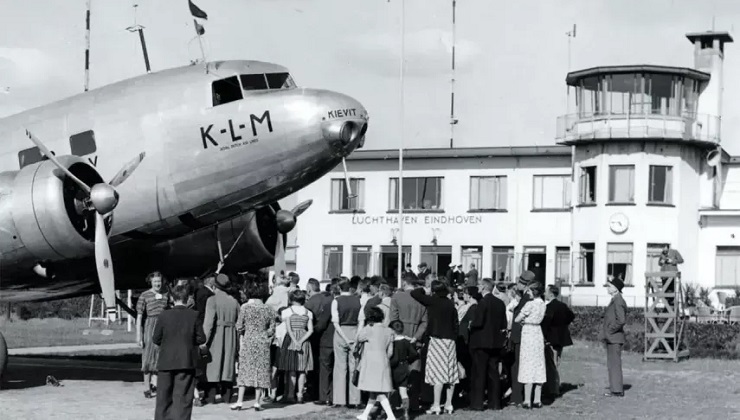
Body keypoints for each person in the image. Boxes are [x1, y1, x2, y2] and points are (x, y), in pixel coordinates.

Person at [152, 283, 206, 420]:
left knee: (164, 398)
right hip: (186, 361)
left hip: (166, 361)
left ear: (171, 297)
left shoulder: (164, 315)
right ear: (188, 298)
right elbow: (201, 338)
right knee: (183, 398)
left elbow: (156, 338)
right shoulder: (194, 315)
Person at [411, 280, 459, 415]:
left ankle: (436, 404)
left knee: (438, 374)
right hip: (450, 341)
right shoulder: (450, 303)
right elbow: (456, 323)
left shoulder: (432, 301)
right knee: (450, 374)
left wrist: (423, 289)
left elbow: (414, 293)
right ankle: (449, 404)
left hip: (437, 340)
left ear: (433, 290)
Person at [230, 283, 275, 412]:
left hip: (249, 340)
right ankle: (257, 402)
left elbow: (238, 326)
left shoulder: (245, 307)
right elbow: (272, 329)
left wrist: (246, 331)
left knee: (245, 371)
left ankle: (239, 401)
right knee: (260, 371)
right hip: (262, 341)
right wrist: (264, 334)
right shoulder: (269, 309)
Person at [468, 278, 508, 411]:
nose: (478, 287)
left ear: (484, 287)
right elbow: (504, 323)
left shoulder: (483, 303)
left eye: (480, 285)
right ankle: (495, 403)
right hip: (495, 342)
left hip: (481, 342)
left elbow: (478, 322)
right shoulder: (500, 303)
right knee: (494, 373)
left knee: (479, 374)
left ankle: (477, 403)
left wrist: (470, 324)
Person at [389, 277, 428, 413]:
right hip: (415, 339)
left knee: (396, 372)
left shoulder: (397, 297)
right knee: (415, 372)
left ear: (404, 284)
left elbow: (393, 319)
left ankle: (395, 402)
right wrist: (416, 336)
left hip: (399, 338)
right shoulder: (421, 299)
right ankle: (414, 403)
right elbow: (425, 322)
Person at [202, 273, 240, 404]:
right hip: (231, 334)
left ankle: (210, 397)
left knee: (213, 365)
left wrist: (204, 341)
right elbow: (239, 322)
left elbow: (208, 323)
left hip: (216, 335)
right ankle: (227, 396)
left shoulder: (212, 300)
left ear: (214, 286)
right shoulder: (234, 301)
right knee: (227, 364)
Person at [356, 306, 396, 420]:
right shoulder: (389, 331)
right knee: (374, 391)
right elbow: (390, 352)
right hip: (383, 360)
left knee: (377, 391)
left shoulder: (368, 329)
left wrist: (361, 324)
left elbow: (358, 337)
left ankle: (390, 416)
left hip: (371, 362)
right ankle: (365, 415)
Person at [136, 271, 169, 399]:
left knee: (160, 356)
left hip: (163, 326)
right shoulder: (144, 295)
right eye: (155, 282)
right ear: (151, 282)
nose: (157, 284)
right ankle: (147, 388)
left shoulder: (166, 294)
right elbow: (139, 316)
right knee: (148, 357)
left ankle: (156, 385)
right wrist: (139, 336)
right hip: (150, 326)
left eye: (159, 282)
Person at [277, 290, 314, 403]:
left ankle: (290, 394)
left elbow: (288, 329)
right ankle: (300, 395)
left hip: (291, 340)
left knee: (292, 369)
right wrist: (302, 340)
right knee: (302, 369)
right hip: (304, 340)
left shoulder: (288, 311)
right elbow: (310, 330)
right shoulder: (308, 312)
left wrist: (295, 341)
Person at [515, 281, 547, 409]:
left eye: (529, 291)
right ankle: (537, 399)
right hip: (538, 332)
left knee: (527, 363)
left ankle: (527, 400)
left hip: (528, 332)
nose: (527, 293)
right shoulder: (543, 304)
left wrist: (524, 320)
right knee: (538, 363)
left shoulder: (529, 304)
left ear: (533, 292)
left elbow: (517, 319)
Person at [332, 277, 362, 408]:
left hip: (341, 332)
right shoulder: (358, 300)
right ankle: (355, 400)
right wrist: (356, 337)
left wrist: (344, 337)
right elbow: (361, 320)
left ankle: (340, 400)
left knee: (340, 367)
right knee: (354, 367)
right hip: (355, 330)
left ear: (339, 288)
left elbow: (335, 322)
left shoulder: (336, 301)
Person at [541, 285, 575, 399]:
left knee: (552, 363)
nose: (544, 294)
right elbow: (571, 316)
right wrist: (563, 325)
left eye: (546, 292)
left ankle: (553, 389)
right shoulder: (562, 305)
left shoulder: (549, 307)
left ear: (551, 294)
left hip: (551, 337)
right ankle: (553, 387)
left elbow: (546, 323)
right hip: (561, 337)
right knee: (556, 361)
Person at [508, 270, 535, 406]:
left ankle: (517, 396)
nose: (517, 284)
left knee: (517, 366)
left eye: (519, 282)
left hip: (520, 336)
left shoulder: (526, 299)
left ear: (524, 284)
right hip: (521, 336)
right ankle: (517, 395)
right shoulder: (525, 297)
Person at [601, 277, 627, 398]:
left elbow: (621, 320)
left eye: (610, 286)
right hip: (613, 337)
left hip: (614, 337)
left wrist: (610, 330)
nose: (608, 288)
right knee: (612, 364)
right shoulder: (616, 299)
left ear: (616, 289)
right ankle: (615, 388)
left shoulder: (618, 300)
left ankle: (617, 390)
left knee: (614, 364)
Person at [389, 320, 418, 420]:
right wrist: (408, 360)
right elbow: (414, 354)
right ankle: (406, 413)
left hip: (393, 368)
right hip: (404, 367)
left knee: (390, 390)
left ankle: (389, 410)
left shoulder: (392, 343)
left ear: (392, 330)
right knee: (403, 391)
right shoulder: (406, 342)